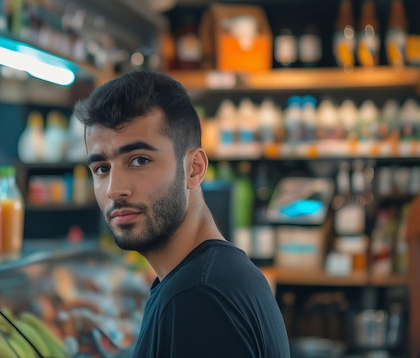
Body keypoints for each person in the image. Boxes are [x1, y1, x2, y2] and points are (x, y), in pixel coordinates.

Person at [74, 71, 290, 357]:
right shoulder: (210, 276)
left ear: (194, 169)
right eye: (102, 168)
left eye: (139, 160)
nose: (115, 189)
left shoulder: (196, 298)